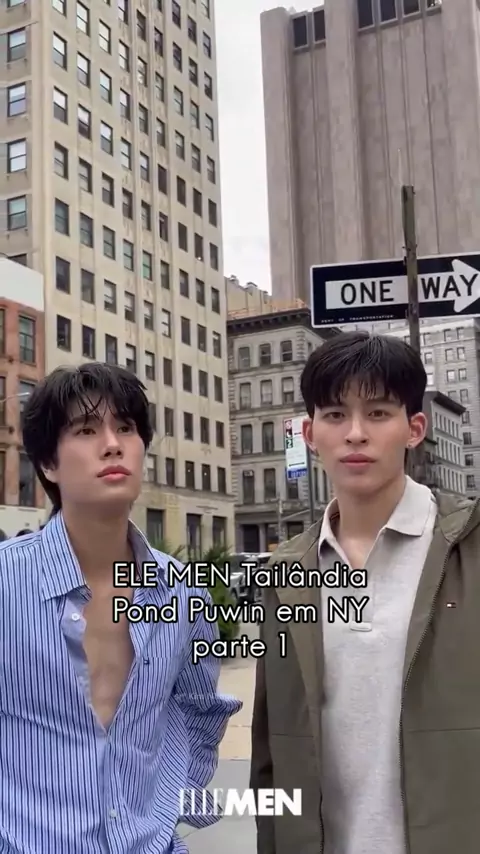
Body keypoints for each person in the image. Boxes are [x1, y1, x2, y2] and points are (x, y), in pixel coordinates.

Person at [250, 331, 480, 854]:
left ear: (414, 429)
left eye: (377, 413)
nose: (355, 434)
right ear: (310, 434)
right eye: (335, 415)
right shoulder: (286, 574)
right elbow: (270, 752)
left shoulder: (466, 546)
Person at [0, 362, 241, 853]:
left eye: (126, 428)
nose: (113, 444)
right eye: (86, 430)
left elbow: (200, 709)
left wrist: (167, 809)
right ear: (48, 463)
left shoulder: (181, 594)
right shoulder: (7, 584)